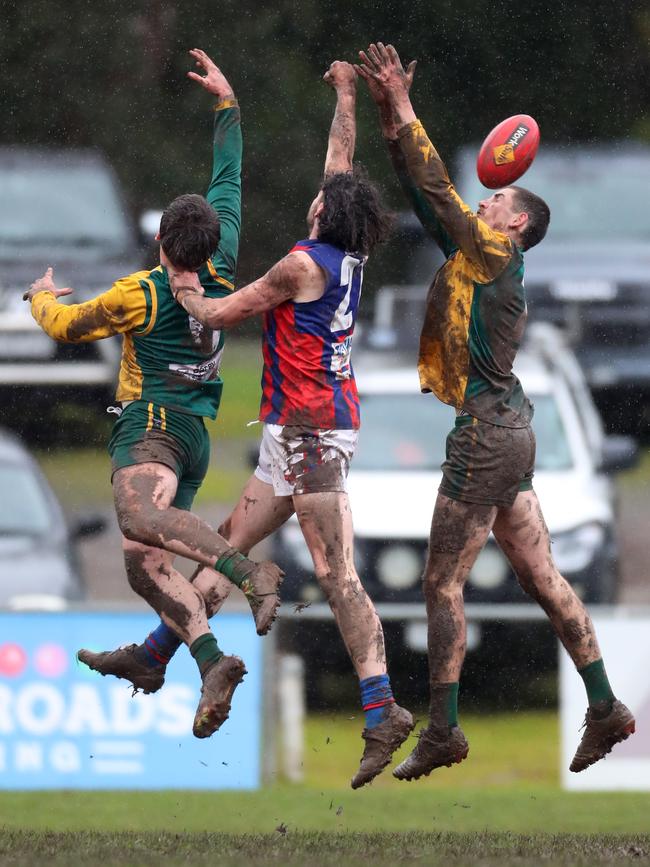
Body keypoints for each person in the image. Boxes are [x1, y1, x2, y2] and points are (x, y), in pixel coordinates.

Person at [80, 60, 414, 789]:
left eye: (320, 200)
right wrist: (346, 96)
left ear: (325, 216)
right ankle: (159, 652)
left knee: (334, 570)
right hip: (293, 433)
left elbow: (223, 314)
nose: (313, 199)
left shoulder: (300, 264)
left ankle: (383, 705)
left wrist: (186, 287)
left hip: (314, 434)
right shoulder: (347, 246)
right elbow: (341, 165)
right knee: (227, 541)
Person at [355, 42, 635, 780]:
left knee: (440, 583)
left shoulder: (496, 256)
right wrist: (390, 118)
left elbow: (443, 190)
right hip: (513, 432)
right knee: (543, 578)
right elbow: (424, 195)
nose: (486, 203)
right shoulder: (481, 257)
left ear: (514, 226)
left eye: (498, 203)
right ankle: (607, 706)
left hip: (484, 434)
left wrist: (408, 108)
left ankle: (444, 727)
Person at [25, 49, 283, 741]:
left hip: (153, 425)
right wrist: (228, 107)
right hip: (195, 435)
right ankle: (201, 659)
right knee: (143, 566)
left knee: (136, 517)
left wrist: (41, 297)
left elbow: (68, 326)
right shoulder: (223, 261)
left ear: (162, 240)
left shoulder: (137, 294)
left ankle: (243, 569)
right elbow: (227, 176)